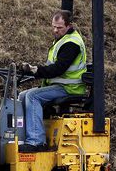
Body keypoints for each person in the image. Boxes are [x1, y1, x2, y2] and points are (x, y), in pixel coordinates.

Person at [18, 10, 87, 152]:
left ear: (68, 26)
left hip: (69, 88)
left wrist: (37, 70)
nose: (55, 30)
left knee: (32, 97)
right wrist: (32, 70)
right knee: (23, 96)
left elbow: (58, 69)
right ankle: (26, 137)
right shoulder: (61, 39)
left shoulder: (71, 43)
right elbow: (52, 68)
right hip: (59, 85)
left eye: (59, 27)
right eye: (53, 26)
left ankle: (36, 141)